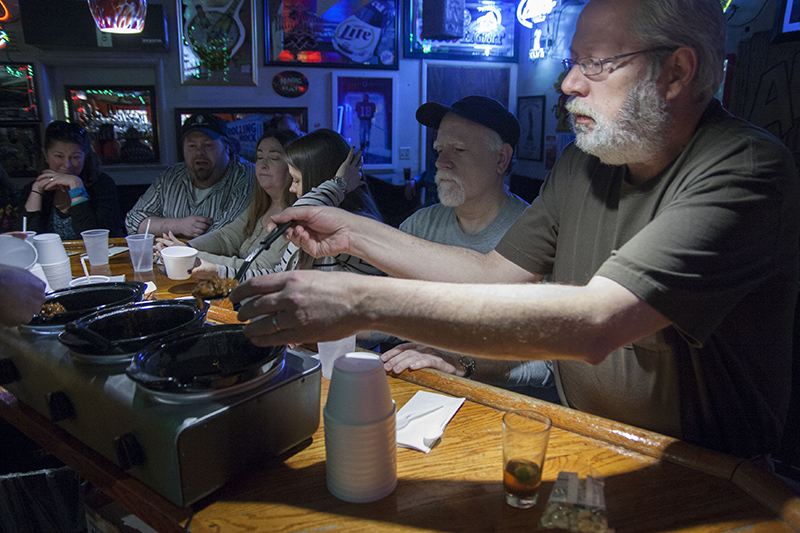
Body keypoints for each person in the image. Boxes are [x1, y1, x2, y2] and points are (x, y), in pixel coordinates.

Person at [230, 0, 800, 460]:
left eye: (595, 62)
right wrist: (353, 231)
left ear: (676, 71)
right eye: (572, 61)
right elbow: (490, 273)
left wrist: (361, 300)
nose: (569, 82)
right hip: (579, 435)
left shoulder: (744, 169)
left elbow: (596, 323)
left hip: (704, 471)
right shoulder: (586, 162)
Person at [384, 96, 555, 400]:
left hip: (506, 409)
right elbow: (389, 315)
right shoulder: (419, 227)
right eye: (439, 150)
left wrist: (464, 363)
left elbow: (550, 362)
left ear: (501, 159)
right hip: (423, 395)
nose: (440, 162)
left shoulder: (538, 237)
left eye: (459, 150)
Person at [231, 128, 383, 280]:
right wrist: (214, 271)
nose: (291, 188)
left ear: (319, 179)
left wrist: (339, 184)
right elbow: (279, 275)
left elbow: (299, 211)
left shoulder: (358, 228)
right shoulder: (310, 226)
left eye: (296, 181)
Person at [154, 129, 300, 277]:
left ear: (293, 166)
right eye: (260, 157)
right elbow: (227, 237)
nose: (263, 164)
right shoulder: (261, 205)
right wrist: (188, 246)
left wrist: (192, 254)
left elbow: (257, 267)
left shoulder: (295, 217)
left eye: (274, 158)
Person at [125, 112, 255, 237]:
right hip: (166, 257)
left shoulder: (246, 176)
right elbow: (133, 221)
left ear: (226, 147)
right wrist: (179, 225)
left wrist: (169, 238)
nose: (200, 152)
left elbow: (227, 234)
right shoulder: (171, 176)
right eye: (192, 146)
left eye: (208, 145)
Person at [22, 121, 126, 239]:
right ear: (45, 155)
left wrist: (75, 185)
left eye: (75, 157)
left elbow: (97, 239)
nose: (67, 165)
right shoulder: (33, 188)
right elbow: (26, 241)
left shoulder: (102, 185)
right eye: (59, 156)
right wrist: (37, 190)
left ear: (85, 156)